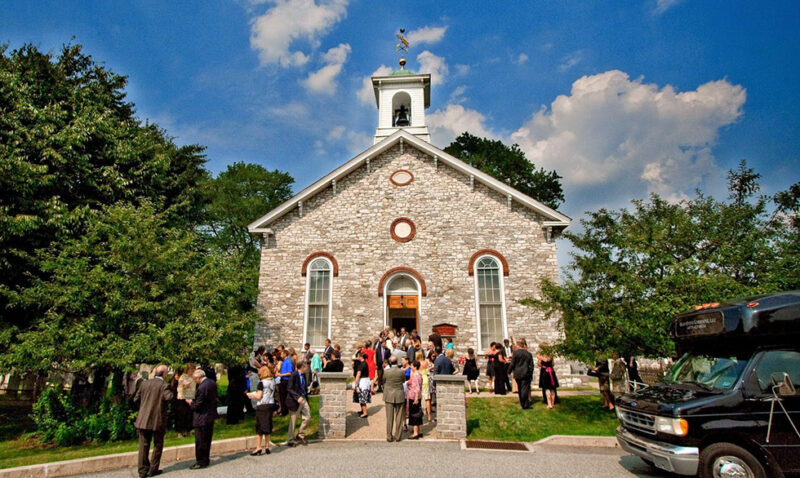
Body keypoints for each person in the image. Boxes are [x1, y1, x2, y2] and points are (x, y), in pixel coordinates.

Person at [133, 364, 174, 478]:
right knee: (158, 444)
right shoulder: (164, 386)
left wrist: (143, 408)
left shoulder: (144, 383)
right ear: (165, 374)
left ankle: (142, 470)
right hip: (157, 420)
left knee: (143, 446)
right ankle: (153, 469)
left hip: (143, 419)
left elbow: (136, 399)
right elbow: (169, 397)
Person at [187, 369, 217, 470]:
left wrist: (190, 402)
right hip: (210, 415)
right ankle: (206, 458)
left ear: (199, 377)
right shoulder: (212, 383)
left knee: (200, 441)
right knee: (207, 439)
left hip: (201, 417)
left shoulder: (201, 388)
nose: (195, 381)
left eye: (195, 379)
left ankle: (200, 461)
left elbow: (197, 405)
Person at [245, 366, 275, 455]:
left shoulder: (261, 383)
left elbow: (258, 396)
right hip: (270, 404)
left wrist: (251, 395)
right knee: (268, 425)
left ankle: (258, 447)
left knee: (260, 427)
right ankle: (267, 446)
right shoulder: (272, 382)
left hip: (262, 405)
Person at [286, 362, 310, 446]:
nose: (307, 369)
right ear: (302, 367)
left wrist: (307, 389)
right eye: (305, 367)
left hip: (303, 398)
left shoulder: (303, 375)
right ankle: (290, 440)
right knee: (293, 420)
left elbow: (301, 386)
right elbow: (289, 388)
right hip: (294, 400)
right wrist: (297, 397)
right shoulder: (294, 375)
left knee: (307, 417)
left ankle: (300, 435)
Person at [382, 356, 405, 442]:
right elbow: (403, 380)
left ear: (390, 362)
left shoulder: (386, 372)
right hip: (399, 394)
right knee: (399, 416)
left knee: (389, 417)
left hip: (389, 395)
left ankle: (389, 436)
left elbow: (383, 380)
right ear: (397, 362)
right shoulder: (401, 372)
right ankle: (398, 436)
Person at [509, 340, 534, 409]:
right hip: (525, 373)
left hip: (517, 373)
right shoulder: (528, 354)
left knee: (520, 389)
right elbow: (531, 365)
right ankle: (525, 404)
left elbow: (512, 364)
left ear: (518, 345)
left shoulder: (515, 353)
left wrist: (509, 371)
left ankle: (523, 403)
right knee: (524, 389)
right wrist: (530, 373)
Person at [174, 363, 196, 438]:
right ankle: (180, 432)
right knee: (182, 415)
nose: (192, 371)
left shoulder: (193, 377)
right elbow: (183, 385)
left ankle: (188, 430)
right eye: (191, 370)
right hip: (182, 398)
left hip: (191, 397)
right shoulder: (183, 377)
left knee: (189, 415)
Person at [406, 360, 424, 439]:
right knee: (418, 413)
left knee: (414, 414)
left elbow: (416, 387)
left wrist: (416, 398)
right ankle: (419, 431)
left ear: (415, 367)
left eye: (412, 365)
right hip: (418, 396)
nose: (411, 367)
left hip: (414, 396)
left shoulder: (415, 375)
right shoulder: (419, 374)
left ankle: (415, 433)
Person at [352, 352, 371, 418]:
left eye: (358, 356)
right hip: (365, 380)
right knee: (360, 396)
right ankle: (362, 410)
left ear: (360, 357)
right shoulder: (364, 363)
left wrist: (355, 383)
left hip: (363, 382)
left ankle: (365, 413)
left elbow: (358, 374)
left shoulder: (361, 365)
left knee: (362, 397)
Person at [277, 348, 294, 416]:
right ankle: (283, 410)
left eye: (281, 353)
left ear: (285, 354)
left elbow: (290, 373)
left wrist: (280, 374)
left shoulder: (288, 362)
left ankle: (285, 411)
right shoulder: (283, 361)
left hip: (286, 381)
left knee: (284, 396)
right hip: (282, 380)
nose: (280, 355)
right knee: (281, 396)